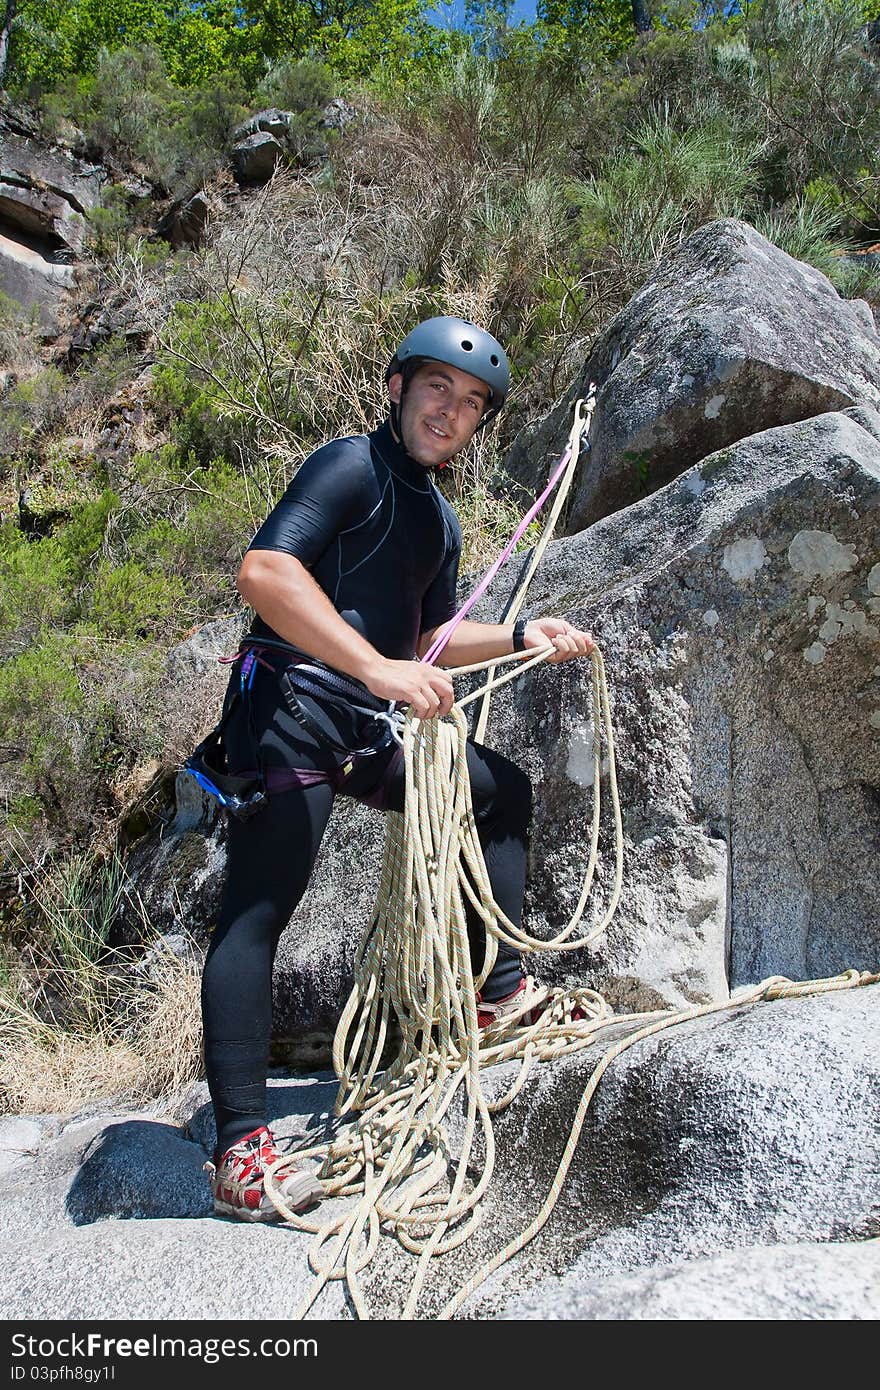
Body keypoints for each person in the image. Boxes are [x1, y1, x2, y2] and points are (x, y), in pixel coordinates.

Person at [198, 316, 594, 1221]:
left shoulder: (439, 518)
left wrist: (525, 634)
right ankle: (240, 1153)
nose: (450, 412)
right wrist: (374, 669)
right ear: (398, 389)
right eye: (436, 390)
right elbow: (265, 572)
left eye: (471, 405)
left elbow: (427, 641)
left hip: (358, 725)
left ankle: (495, 997)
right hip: (290, 713)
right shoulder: (350, 466)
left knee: (499, 791)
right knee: (258, 914)